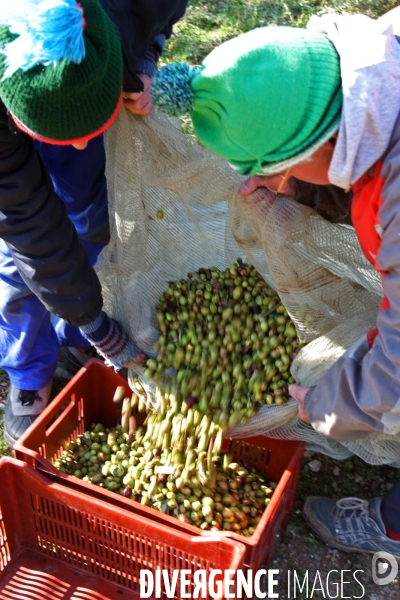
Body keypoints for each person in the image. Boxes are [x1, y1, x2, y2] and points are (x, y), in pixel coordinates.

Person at [149, 8, 400, 557]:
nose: (263, 181)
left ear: (309, 149)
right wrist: (303, 194)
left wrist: (329, 404)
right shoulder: (365, 62)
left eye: (269, 167)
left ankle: (394, 525)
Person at [0, 0, 189, 448]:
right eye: (68, 134)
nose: (83, 142)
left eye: (90, 127)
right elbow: (28, 222)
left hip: (109, 60)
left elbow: (165, 10)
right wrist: (95, 321)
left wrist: (144, 60)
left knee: (90, 218)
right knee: (20, 254)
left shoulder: (129, 10)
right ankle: (29, 367)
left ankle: (75, 335)